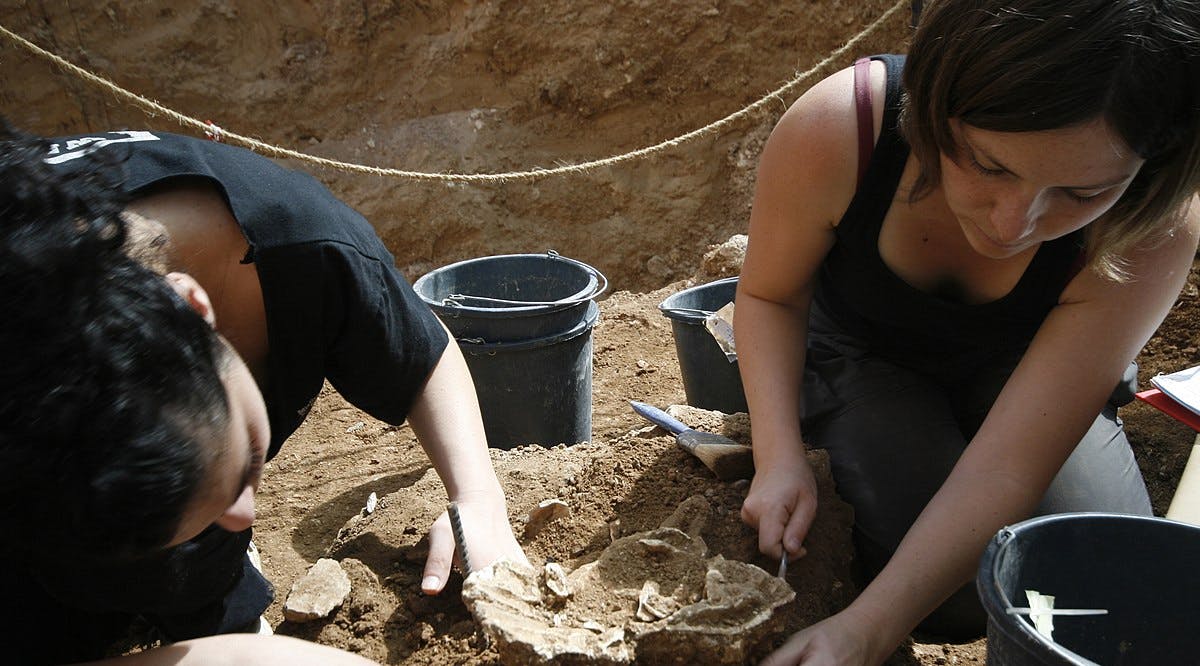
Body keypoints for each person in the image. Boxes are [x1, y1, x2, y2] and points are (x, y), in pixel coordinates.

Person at [734, 1, 1200, 663]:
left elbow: (1010, 466)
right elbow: (770, 296)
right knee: (952, 599)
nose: (1014, 224)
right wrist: (778, 456)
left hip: (1031, 375)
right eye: (989, 165)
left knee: (1092, 583)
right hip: (864, 354)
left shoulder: (1153, 223)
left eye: (1082, 193)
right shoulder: (843, 128)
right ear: (935, 105)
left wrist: (864, 631)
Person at [0, 123, 527, 664]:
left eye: (251, 457)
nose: (247, 514)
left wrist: (478, 500)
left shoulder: (303, 242)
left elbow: (417, 351)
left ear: (195, 308)